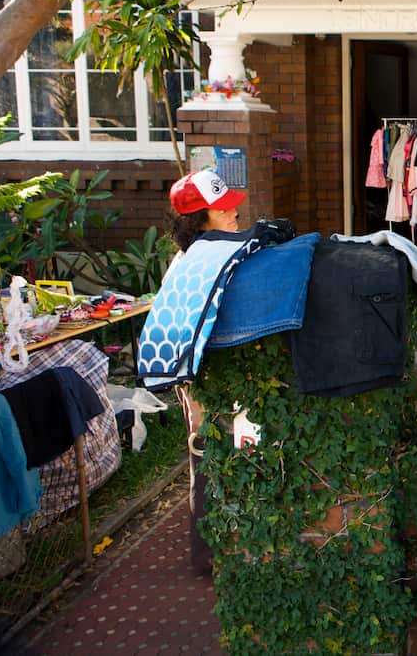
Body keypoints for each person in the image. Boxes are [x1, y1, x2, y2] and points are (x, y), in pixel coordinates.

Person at [165, 168, 245, 577]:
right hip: (203, 380)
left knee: (229, 453)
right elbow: (181, 339)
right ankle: (209, 554)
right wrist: (195, 397)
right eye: (222, 207)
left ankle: (228, 543)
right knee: (209, 456)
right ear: (199, 219)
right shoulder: (189, 268)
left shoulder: (214, 254)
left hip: (222, 377)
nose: (234, 211)